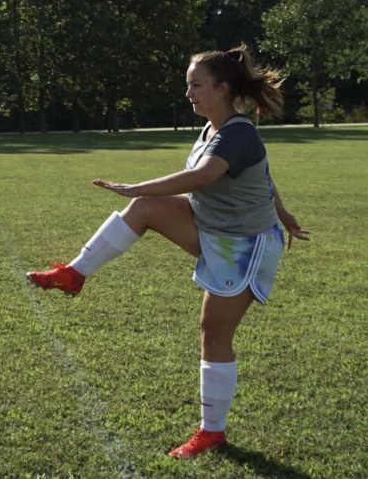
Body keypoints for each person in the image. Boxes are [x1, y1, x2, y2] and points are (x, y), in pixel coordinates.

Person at [26, 45, 310, 458]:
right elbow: (261, 177)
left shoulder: (238, 130)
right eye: (188, 85)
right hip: (213, 228)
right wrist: (284, 212)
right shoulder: (214, 129)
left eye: (196, 85)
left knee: (213, 334)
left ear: (223, 87)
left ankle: (212, 433)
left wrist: (134, 185)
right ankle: (75, 274)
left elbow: (203, 176)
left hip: (244, 247)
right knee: (145, 210)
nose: (189, 93)